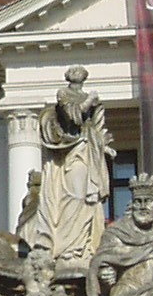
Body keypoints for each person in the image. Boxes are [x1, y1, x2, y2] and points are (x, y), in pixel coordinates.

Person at [36, 67, 114, 263]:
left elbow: (96, 127)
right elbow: (73, 116)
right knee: (75, 195)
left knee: (89, 200)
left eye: (79, 73)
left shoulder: (92, 100)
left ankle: (84, 246)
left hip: (88, 150)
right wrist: (89, 101)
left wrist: (104, 148)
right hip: (72, 151)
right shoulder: (64, 94)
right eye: (74, 73)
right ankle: (69, 247)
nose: (76, 75)